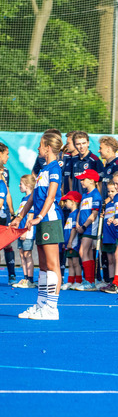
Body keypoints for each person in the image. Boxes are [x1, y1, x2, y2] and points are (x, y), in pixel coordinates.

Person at [15, 132, 65, 319]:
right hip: (42, 221)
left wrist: (39, 216)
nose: (38, 148)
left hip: (50, 220)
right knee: (43, 265)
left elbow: (51, 196)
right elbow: (33, 197)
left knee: (52, 266)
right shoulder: (43, 169)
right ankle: (41, 305)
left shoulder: (55, 168)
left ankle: (51, 308)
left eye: (40, 145)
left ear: (48, 148)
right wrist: (19, 216)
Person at [72, 169, 102, 290]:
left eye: (84, 179)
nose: (81, 182)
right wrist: (78, 224)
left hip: (90, 229)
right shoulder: (85, 195)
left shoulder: (96, 195)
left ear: (91, 181)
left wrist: (84, 226)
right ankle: (90, 280)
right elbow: (80, 211)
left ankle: (89, 280)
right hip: (83, 228)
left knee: (83, 252)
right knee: (87, 253)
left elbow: (94, 214)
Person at [14, 175, 36, 287]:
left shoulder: (30, 198)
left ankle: (30, 280)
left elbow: (30, 216)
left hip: (27, 231)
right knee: (22, 255)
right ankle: (25, 278)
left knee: (27, 254)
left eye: (21, 184)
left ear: (27, 186)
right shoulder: (23, 199)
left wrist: (26, 232)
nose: (19, 186)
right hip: (20, 231)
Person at [67, 131, 102, 196]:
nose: (81, 146)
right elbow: (71, 179)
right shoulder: (73, 160)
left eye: (84, 143)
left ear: (88, 143)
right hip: (76, 199)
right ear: (74, 145)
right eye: (78, 144)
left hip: (89, 199)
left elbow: (99, 182)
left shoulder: (94, 160)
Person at [0, 142, 16, 284]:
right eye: (6, 154)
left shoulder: (6, 172)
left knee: (7, 243)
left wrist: (11, 211)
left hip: (3, 213)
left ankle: (12, 275)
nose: (8, 157)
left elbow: (8, 192)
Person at [60, 192, 82, 289]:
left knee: (75, 262)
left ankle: (78, 280)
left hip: (74, 243)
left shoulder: (76, 214)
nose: (65, 203)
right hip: (68, 243)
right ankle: (70, 281)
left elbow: (74, 229)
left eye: (67, 201)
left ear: (73, 202)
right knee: (70, 263)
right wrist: (65, 242)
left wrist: (70, 242)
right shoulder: (70, 214)